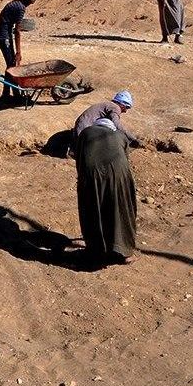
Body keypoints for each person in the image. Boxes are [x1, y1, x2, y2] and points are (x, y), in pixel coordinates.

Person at [76, 118, 138, 263]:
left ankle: (95, 250)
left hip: (92, 176)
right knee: (120, 209)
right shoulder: (120, 135)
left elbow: (79, 157)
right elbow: (125, 158)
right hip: (119, 176)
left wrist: (83, 179)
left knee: (92, 209)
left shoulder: (85, 133)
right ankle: (125, 252)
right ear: (111, 128)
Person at [0, 0, 39, 100]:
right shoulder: (21, 8)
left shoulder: (17, 3)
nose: (35, 0)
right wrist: (18, 52)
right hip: (3, 37)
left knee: (11, 65)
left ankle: (11, 93)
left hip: (4, 35)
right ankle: (10, 95)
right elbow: (17, 31)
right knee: (12, 66)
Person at [73, 91, 137, 147]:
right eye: (127, 107)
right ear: (122, 104)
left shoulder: (108, 104)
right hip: (84, 130)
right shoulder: (115, 107)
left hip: (81, 126)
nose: (125, 111)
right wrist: (133, 139)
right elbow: (117, 125)